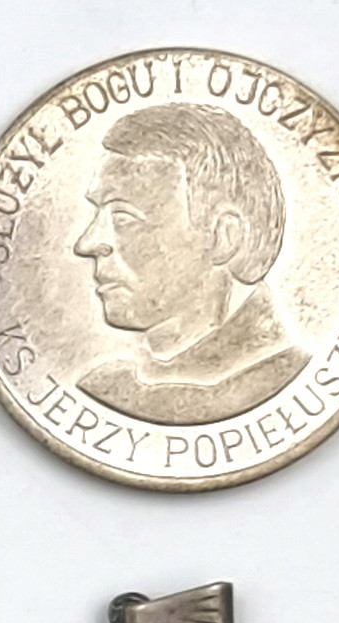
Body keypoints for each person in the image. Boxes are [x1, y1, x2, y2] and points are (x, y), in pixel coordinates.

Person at [73, 104, 307, 424]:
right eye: (99, 214)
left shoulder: (288, 380)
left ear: (224, 238)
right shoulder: (102, 388)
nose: (87, 243)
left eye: (124, 217)